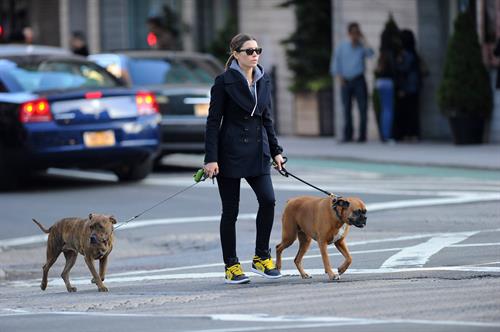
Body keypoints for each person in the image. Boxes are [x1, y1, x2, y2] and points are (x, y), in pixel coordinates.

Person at [204, 33, 285, 284]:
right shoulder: (223, 82)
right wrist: (211, 158)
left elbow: (267, 118)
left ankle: (261, 257)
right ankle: (231, 266)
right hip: (229, 154)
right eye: (248, 51)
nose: (254, 54)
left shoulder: (264, 80)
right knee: (231, 211)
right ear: (236, 54)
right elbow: (213, 122)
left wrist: (276, 151)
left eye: (257, 50)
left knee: (269, 201)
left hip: (258, 152)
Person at [331, 22, 374, 143]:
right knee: (347, 109)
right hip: (345, 81)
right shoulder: (342, 47)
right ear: (349, 33)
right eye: (353, 33)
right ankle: (347, 135)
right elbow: (335, 65)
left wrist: (364, 39)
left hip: (359, 80)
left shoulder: (362, 46)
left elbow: (371, 54)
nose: (355, 35)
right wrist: (340, 78)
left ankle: (362, 136)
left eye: (357, 33)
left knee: (363, 108)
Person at [394, 29, 422, 141]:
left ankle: (407, 134)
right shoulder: (414, 53)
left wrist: (397, 63)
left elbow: (403, 69)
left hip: (407, 87)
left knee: (406, 112)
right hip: (414, 86)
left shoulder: (406, 54)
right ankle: (412, 133)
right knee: (412, 111)